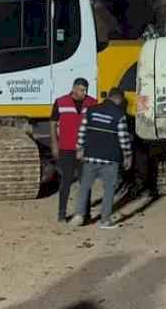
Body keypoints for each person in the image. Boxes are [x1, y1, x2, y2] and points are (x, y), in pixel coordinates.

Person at [70, 88, 132, 230]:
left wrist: (79, 148)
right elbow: (123, 139)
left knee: (85, 186)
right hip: (110, 158)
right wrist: (128, 156)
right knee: (109, 189)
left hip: (90, 156)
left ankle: (79, 215)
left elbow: (82, 131)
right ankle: (104, 221)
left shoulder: (90, 111)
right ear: (119, 100)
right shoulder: (119, 115)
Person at [51, 78, 97, 222]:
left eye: (85, 90)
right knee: (66, 182)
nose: (84, 93)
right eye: (81, 90)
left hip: (85, 149)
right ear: (74, 88)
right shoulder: (60, 102)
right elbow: (53, 123)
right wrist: (54, 143)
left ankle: (86, 214)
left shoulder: (92, 103)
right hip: (66, 149)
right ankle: (61, 214)